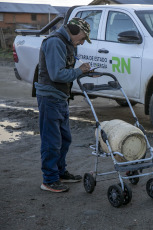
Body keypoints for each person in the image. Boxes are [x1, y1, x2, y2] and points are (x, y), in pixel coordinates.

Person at [35, 18, 92, 193]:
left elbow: (65, 70)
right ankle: (49, 180)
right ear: (74, 30)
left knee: (64, 139)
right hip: (50, 97)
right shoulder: (55, 43)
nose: (82, 42)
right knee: (52, 141)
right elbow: (57, 75)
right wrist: (79, 71)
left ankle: (59, 172)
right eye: (82, 38)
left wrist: (85, 73)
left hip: (60, 97)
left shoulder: (67, 43)